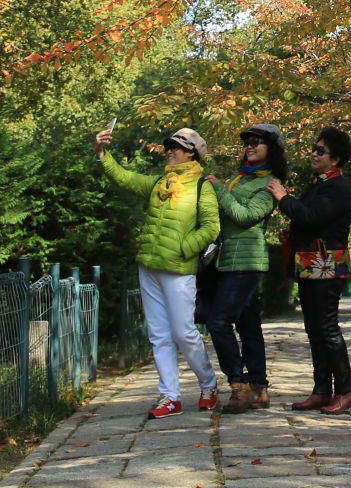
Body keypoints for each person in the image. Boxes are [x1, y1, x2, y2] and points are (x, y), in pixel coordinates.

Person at [95, 124, 221, 418]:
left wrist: (182, 247)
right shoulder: (157, 183)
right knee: (159, 335)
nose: (170, 151)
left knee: (184, 332)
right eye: (170, 146)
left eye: (176, 147)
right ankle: (169, 396)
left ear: (192, 154)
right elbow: (124, 178)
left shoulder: (202, 187)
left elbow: (211, 227)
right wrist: (102, 153)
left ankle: (208, 385)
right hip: (148, 266)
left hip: (178, 268)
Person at [270, 126, 351, 413]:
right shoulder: (319, 183)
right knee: (314, 329)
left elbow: (310, 217)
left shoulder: (337, 186)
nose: (313, 153)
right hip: (310, 265)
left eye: (321, 151)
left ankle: (346, 390)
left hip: (326, 265)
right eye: (314, 148)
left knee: (327, 327)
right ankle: (322, 390)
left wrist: (283, 198)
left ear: (336, 159)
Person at [206, 122, 285, 414]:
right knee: (249, 326)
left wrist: (218, 190)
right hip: (228, 259)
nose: (250, 146)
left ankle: (238, 385)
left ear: (271, 149)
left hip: (247, 261)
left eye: (257, 142)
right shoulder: (238, 179)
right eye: (248, 142)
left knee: (218, 321)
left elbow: (246, 216)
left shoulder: (270, 184)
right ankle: (259, 389)